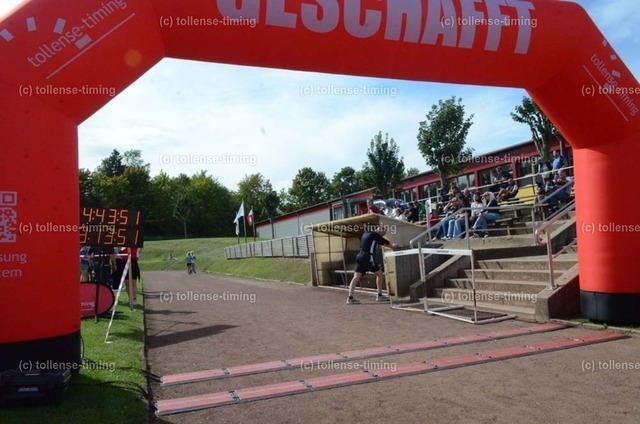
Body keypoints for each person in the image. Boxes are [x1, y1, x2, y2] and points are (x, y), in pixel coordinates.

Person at [346, 227, 399, 304]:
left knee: (356, 277)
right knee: (380, 274)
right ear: (380, 231)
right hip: (368, 258)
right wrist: (394, 246)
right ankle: (379, 295)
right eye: (383, 233)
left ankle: (350, 298)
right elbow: (387, 243)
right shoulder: (375, 235)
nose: (383, 235)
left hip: (360, 257)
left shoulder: (366, 233)